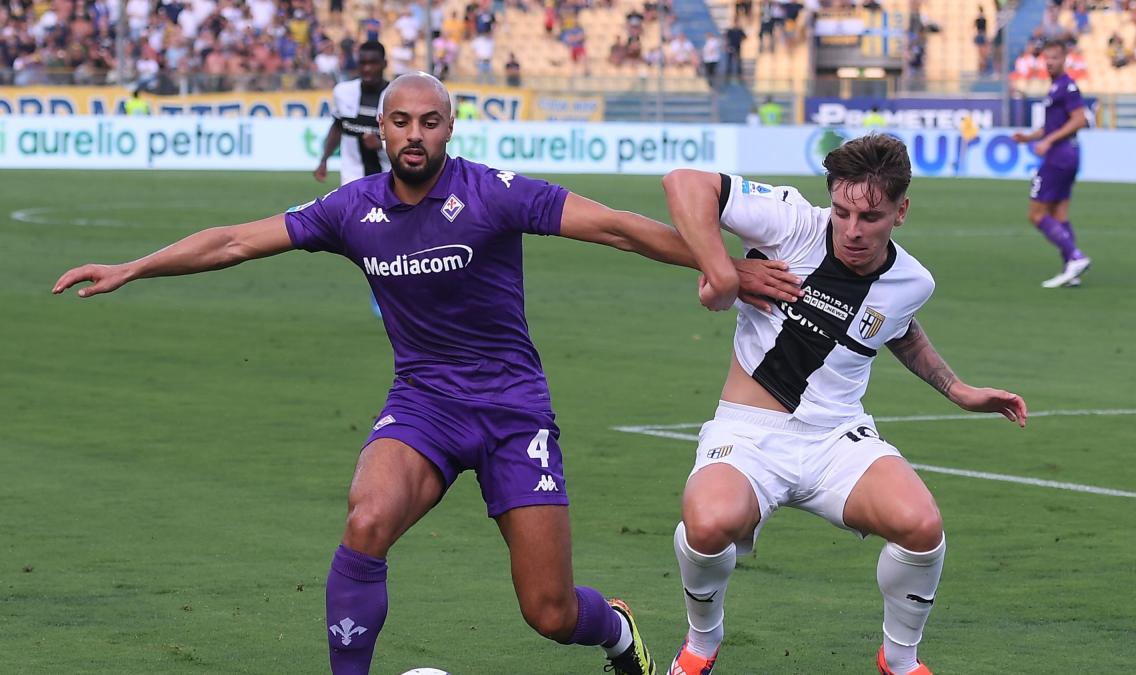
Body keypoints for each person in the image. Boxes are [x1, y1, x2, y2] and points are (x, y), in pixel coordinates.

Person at [52, 72, 802, 675]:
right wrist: (133, 267)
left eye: (430, 122)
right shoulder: (350, 209)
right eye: (401, 122)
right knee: (366, 520)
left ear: (450, 128)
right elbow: (232, 242)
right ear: (379, 130)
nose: (415, 134)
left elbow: (615, 227)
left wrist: (724, 265)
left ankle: (616, 630)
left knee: (548, 611)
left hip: (513, 410)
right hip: (424, 403)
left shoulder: (493, 192)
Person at [660, 134, 1028, 675]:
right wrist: (725, 270)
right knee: (709, 523)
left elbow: (897, 328)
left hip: (838, 439)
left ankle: (899, 661)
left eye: (871, 217)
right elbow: (684, 183)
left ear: (901, 212)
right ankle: (701, 642)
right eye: (842, 211)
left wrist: (958, 390)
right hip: (749, 433)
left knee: (922, 526)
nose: (852, 229)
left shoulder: (913, 281)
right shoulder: (791, 222)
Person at [1011, 39, 1091, 288]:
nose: (1049, 62)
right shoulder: (1056, 87)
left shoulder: (1067, 87)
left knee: (1036, 214)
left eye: (1055, 58)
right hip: (1067, 155)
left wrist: (1049, 141)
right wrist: (1029, 137)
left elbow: (1079, 120)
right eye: (1046, 58)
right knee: (1059, 214)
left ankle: (1075, 256)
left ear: (1065, 59)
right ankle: (1071, 269)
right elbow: (1050, 127)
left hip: (1060, 156)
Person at [314, 41, 389, 186]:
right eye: (363, 63)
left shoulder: (396, 95)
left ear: (384, 64)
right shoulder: (343, 92)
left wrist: (381, 144)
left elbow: (406, 136)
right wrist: (324, 160)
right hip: (352, 179)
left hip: (388, 178)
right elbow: (338, 126)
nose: (367, 68)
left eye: (373, 63)